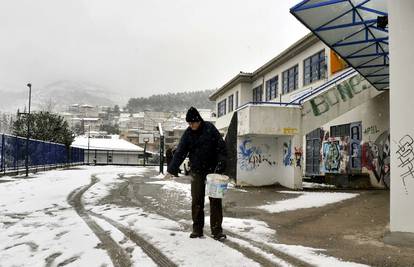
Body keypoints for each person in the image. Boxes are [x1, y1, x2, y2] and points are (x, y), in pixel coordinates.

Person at [165, 107, 227, 241]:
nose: (191, 125)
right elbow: (180, 152)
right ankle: (197, 229)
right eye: (189, 123)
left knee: (215, 201)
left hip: (213, 171)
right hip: (197, 171)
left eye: (192, 122)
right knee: (197, 200)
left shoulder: (210, 129)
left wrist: (221, 163)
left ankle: (217, 231)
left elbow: (221, 147)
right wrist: (171, 169)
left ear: (198, 120)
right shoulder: (188, 134)